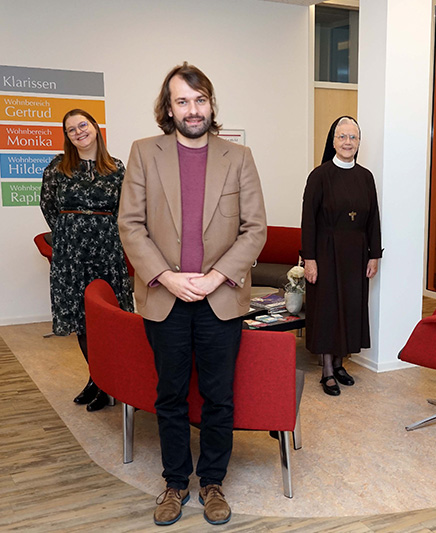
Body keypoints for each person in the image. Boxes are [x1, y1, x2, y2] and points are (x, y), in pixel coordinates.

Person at [118, 62, 267, 526]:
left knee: (220, 397)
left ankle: (213, 482)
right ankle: (175, 482)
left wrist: (216, 276)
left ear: (211, 104)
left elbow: (254, 229)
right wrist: (166, 276)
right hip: (165, 298)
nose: (192, 109)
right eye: (182, 101)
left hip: (220, 299)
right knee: (171, 396)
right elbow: (131, 225)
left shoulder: (237, 158)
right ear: (169, 108)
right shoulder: (144, 153)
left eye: (200, 99)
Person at [40, 109, 133, 412]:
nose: (78, 132)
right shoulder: (58, 167)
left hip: (106, 249)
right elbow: (48, 205)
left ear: (94, 127)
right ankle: (98, 380)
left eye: (83, 125)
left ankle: (106, 384)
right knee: (82, 318)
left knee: (107, 315)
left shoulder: (116, 168)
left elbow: (126, 210)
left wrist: (103, 233)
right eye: (71, 130)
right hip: (71, 252)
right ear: (66, 136)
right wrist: (70, 232)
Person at [301, 116, 382, 396]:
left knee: (350, 307)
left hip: (357, 253)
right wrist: (309, 259)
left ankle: (339, 363)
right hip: (325, 252)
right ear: (333, 141)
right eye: (342, 137)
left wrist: (374, 255)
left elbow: (373, 219)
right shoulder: (319, 175)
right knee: (327, 308)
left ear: (359, 143)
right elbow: (308, 220)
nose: (348, 142)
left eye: (353, 138)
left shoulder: (365, 176)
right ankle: (326, 370)